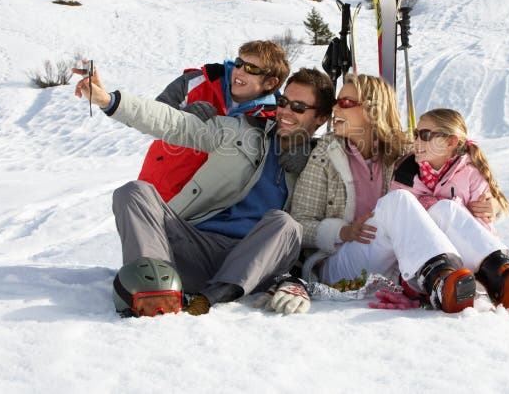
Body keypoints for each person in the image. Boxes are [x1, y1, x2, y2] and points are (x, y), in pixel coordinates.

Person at [74, 65, 335, 317]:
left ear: (322, 118)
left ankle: (212, 297)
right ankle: (155, 286)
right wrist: (108, 100)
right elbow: (174, 124)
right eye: (283, 103)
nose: (286, 111)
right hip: (197, 245)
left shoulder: (323, 163)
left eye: (298, 107)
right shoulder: (242, 131)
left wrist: (310, 159)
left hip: (255, 261)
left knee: (285, 223)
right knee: (134, 192)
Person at [289, 75, 509, 314]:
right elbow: (298, 224)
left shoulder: (406, 154)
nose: (336, 107)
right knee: (400, 201)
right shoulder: (324, 156)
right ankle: (440, 280)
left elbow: (457, 173)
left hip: (400, 264)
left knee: (442, 208)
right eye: (338, 101)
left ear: (373, 111)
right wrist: (343, 232)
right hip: (340, 263)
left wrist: (490, 206)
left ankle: (504, 276)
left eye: (347, 102)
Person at [138, 40, 290, 203]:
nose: (239, 72)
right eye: (239, 63)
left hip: (207, 206)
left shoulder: (272, 115)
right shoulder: (198, 82)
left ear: (270, 83)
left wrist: (297, 150)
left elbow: (286, 147)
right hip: (157, 190)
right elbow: (149, 119)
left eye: (251, 69)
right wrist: (183, 117)